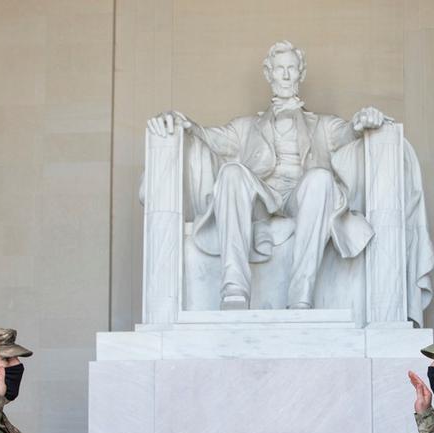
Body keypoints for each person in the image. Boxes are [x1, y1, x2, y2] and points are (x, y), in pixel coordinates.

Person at [147, 40, 389, 310]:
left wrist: (364, 120)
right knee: (231, 173)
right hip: (262, 198)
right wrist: (182, 122)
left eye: (292, 68)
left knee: (321, 178)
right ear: (268, 74)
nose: (286, 75)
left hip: (302, 197)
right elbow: (206, 136)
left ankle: (301, 297)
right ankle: (234, 289)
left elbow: (349, 131)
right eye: (279, 69)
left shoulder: (322, 125)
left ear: (301, 73)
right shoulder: (245, 128)